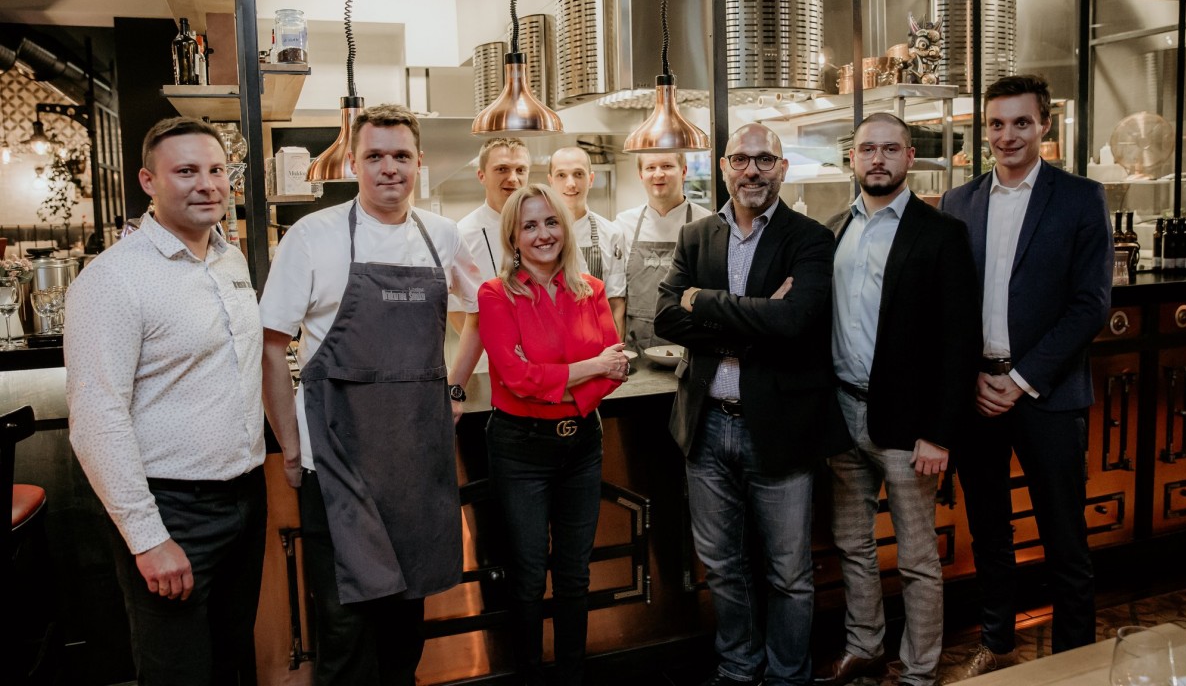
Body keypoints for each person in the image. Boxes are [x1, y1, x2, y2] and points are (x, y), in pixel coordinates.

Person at [259, 104, 484, 685]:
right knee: (345, 633)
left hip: (414, 464)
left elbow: (484, 310)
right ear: (353, 163)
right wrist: (291, 449)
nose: (389, 168)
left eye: (401, 156)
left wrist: (455, 386)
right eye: (375, 156)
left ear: (419, 162)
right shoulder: (313, 236)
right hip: (337, 463)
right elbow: (271, 345)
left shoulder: (441, 235)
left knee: (405, 629)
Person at [65, 117, 266, 685]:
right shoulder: (113, 279)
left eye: (216, 170)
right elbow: (96, 418)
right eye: (186, 171)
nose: (207, 184)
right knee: (177, 670)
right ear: (148, 181)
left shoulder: (229, 259)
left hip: (245, 498)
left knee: (232, 662)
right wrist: (149, 538)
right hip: (172, 507)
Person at [941, 75, 1112, 677]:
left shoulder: (1081, 197)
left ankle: (1074, 661)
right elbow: (950, 303)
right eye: (996, 123)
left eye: (1020, 122)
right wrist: (971, 377)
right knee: (990, 533)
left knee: (1065, 538)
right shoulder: (958, 202)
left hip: (1048, 394)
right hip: (977, 394)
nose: (1007, 135)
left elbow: (1090, 305)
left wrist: (1020, 380)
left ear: (1045, 125)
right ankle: (998, 644)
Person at [655, 122, 836, 686]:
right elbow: (665, 317)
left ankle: (787, 676)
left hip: (778, 427)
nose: (751, 171)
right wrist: (758, 318)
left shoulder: (810, 239)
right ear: (724, 166)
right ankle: (739, 668)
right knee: (722, 565)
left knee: (788, 573)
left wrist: (705, 303)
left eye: (764, 160)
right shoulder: (696, 236)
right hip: (707, 425)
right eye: (740, 159)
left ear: (782, 168)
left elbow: (796, 322)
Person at [816, 114, 980, 686]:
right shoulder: (834, 230)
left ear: (910, 157)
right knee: (852, 545)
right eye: (868, 149)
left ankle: (918, 670)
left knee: (916, 558)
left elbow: (961, 341)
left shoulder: (941, 233)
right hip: (843, 414)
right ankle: (865, 647)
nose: (878, 159)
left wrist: (939, 432)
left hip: (911, 426)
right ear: (852, 158)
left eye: (890, 149)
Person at [477, 183, 627, 686]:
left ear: (565, 228)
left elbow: (616, 370)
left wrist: (558, 383)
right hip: (520, 449)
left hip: (582, 444)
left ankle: (570, 677)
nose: (543, 234)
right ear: (513, 238)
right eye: (529, 225)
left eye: (551, 222)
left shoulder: (591, 289)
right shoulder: (495, 295)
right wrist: (589, 367)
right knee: (526, 576)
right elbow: (515, 378)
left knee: (573, 575)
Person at [614, 151, 711, 354]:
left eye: (667, 166)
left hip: (688, 347)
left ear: (683, 171)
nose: (658, 174)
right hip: (636, 346)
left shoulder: (707, 223)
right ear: (641, 175)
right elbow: (616, 294)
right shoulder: (623, 224)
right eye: (650, 167)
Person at [449, 137, 531, 334]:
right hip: (488, 349)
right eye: (502, 169)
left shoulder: (546, 228)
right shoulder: (462, 234)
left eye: (520, 170)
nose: (513, 178)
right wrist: (490, 346)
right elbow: (455, 309)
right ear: (481, 175)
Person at [548, 145, 627, 337]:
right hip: (549, 340)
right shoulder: (537, 235)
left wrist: (615, 349)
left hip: (597, 342)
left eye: (578, 174)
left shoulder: (611, 233)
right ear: (550, 181)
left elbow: (616, 303)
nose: (571, 184)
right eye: (561, 175)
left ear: (591, 179)